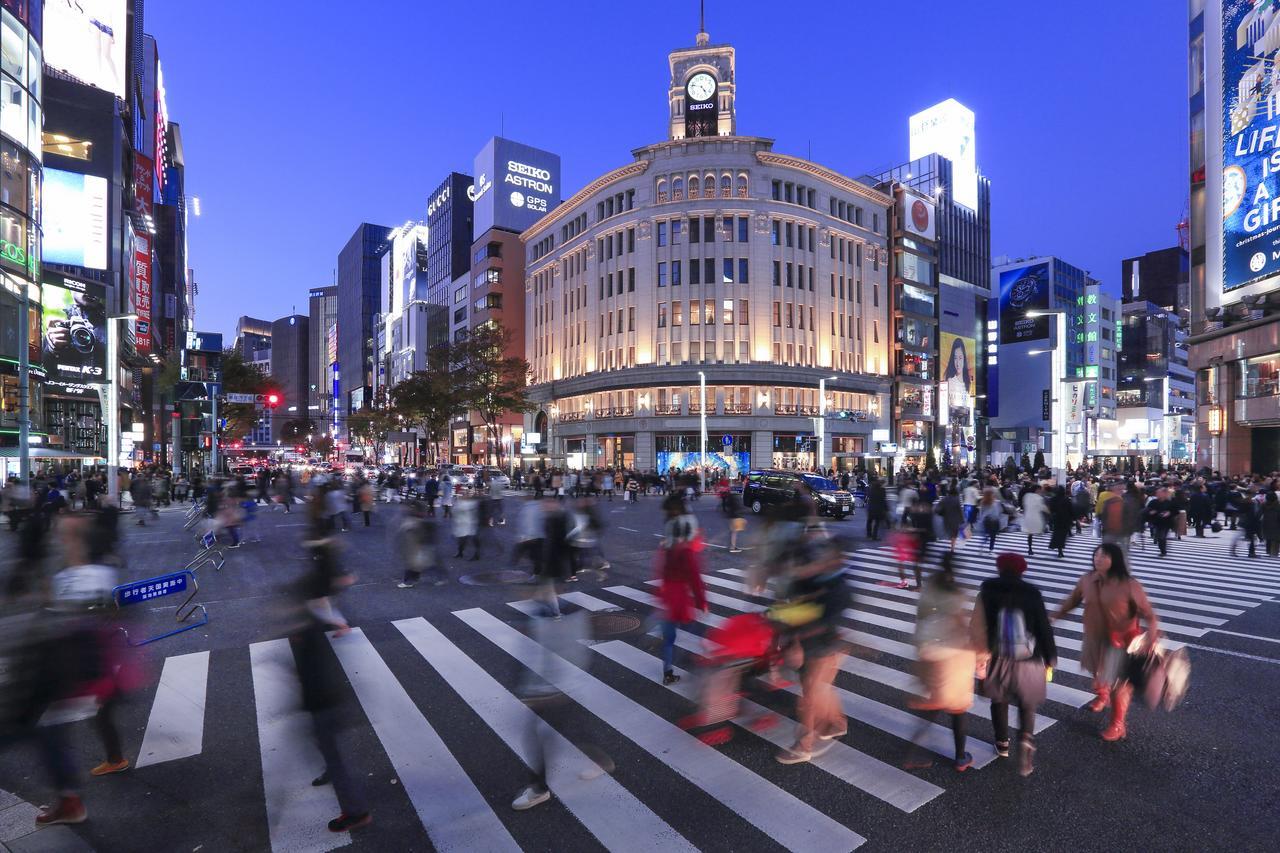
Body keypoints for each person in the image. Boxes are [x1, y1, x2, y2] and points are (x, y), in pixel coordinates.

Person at [969, 552, 1056, 776]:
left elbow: (977, 626)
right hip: (1030, 658)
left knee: (999, 701)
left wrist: (977, 654)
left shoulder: (987, 591)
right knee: (1028, 704)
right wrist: (1050, 657)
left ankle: (1002, 743)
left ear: (999, 568)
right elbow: (1043, 628)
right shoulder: (1032, 593)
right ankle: (1026, 738)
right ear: (1022, 570)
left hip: (998, 657)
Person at [1059, 543, 1157, 741]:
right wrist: (1055, 614)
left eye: (1104, 556)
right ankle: (1102, 696)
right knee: (1097, 671)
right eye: (1096, 555)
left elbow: (1149, 614)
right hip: (1094, 636)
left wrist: (1152, 637)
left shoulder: (1129, 585)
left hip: (1120, 641)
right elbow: (1073, 600)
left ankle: (1118, 724)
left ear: (1116, 560)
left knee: (1118, 683)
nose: (1098, 559)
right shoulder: (1087, 580)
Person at [775, 536, 851, 764]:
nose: (823, 560)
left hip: (822, 648)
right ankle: (837, 723)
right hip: (814, 646)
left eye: (829, 556)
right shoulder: (817, 579)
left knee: (808, 699)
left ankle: (804, 746)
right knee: (818, 691)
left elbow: (820, 621)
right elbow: (793, 608)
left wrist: (795, 640)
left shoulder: (839, 589)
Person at [905, 553, 976, 772]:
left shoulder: (930, 589)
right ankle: (960, 756)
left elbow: (921, 618)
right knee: (957, 707)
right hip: (951, 656)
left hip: (928, 651)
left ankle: (913, 752)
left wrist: (920, 649)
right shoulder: (955, 594)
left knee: (934, 703)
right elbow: (959, 624)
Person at [656, 494, 706, 685]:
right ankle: (704, 665)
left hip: (667, 600)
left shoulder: (667, 549)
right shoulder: (686, 552)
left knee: (668, 639)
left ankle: (667, 672)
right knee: (697, 632)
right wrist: (702, 603)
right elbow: (695, 579)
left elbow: (661, 571)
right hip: (681, 601)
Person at [1145, 486, 1175, 557]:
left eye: (1159, 493)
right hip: (1157, 521)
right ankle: (1162, 549)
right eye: (1157, 493)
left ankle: (1163, 551)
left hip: (1167, 522)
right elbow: (1147, 510)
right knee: (1159, 536)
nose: (1158, 494)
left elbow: (1175, 511)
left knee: (1162, 536)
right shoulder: (1153, 502)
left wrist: (1169, 513)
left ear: (1164, 494)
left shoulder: (1169, 502)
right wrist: (1150, 512)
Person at [1047, 485, 1074, 559]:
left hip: (1056, 519)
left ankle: (1059, 549)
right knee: (1063, 535)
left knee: (1057, 533)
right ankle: (1060, 550)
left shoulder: (1053, 499)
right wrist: (1073, 518)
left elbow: (1051, 509)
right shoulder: (1066, 499)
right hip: (1065, 519)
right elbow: (1070, 509)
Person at [1020, 483, 1046, 556]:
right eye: (1040, 490)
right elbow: (1041, 507)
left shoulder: (1027, 496)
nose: (1041, 491)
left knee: (1030, 534)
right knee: (1033, 532)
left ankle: (1030, 548)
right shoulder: (1039, 497)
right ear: (1037, 490)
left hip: (1028, 516)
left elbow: (1024, 505)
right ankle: (1030, 548)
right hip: (1035, 516)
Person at [452, 493, 480, 560]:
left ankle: (476, 554)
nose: (462, 496)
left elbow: (457, 510)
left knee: (473, 540)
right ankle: (460, 552)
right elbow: (454, 511)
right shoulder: (464, 503)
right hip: (463, 525)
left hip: (469, 524)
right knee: (462, 540)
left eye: (464, 495)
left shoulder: (470, 504)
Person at [976, 487, 1003, 553]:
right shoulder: (997, 502)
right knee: (993, 536)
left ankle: (981, 547)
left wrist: (981, 521)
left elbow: (981, 513)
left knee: (985, 535)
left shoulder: (983, 502)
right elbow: (1000, 511)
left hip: (986, 521)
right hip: (994, 521)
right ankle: (991, 549)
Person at [865, 477, 889, 541]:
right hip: (878, 508)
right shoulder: (882, 490)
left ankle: (869, 534)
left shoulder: (871, 489)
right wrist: (886, 508)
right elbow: (883, 500)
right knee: (877, 522)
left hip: (871, 507)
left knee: (869, 521)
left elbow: (868, 496)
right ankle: (874, 536)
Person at [1262, 491, 1280, 558]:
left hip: (1266, 524)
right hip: (1277, 524)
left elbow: (1259, 514)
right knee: (1276, 540)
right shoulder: (1278, 505)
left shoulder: (1264, 504)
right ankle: (1274, 553)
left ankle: (1269, 552)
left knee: (1268, 538)